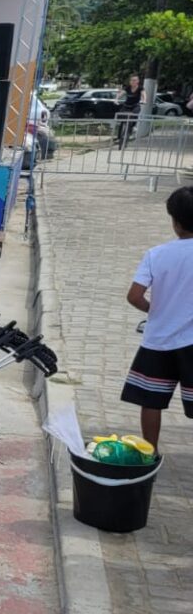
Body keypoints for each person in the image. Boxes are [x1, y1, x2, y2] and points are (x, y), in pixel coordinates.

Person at [121, 186, 193, 451]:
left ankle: (149, 451)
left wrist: (155, 309)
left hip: (158, 340)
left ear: (174, 221)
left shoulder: (157, 254)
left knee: (151, 400)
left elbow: (134, 296)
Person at [117, 72, 143, 150]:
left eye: (135, 80)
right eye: (132, 80)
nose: (133, 82)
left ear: (138, 81)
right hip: (127, 105)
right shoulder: (128, 88)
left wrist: (144, 100)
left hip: (135, 105)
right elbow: (121, 93)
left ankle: (133, 126)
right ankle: (120, 134)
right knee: (121, 115)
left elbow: (144, 95)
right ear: (130, 81)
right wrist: (116, 99)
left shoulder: (140, 88)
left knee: (135, 113)